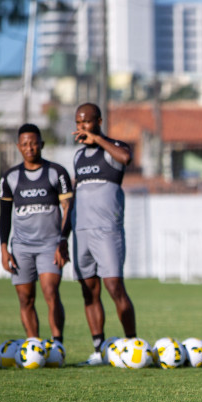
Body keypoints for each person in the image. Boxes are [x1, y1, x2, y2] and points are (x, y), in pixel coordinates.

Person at [71, 103, 136, 365]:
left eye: (86, 121)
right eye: (78, 123)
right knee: (89, 290)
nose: (81, 127)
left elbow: (126, 159)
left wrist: (98, 139)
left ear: (98, 121)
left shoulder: (113, 148)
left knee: (114, 287)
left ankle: (133, 343)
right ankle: (98, 349)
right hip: (81, 231)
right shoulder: (77, 157)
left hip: (108, 230)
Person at [0, 124, 73, 342]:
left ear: (41, 144)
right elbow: (4, 215)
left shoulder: (56, 172)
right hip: (21, 247)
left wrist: (63, 241)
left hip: (50, 245)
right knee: (25, 298)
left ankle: (57, 343)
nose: (29, 147)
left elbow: (68, 208)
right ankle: (34, 344)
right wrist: (4, 248)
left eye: (33, 143)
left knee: (50, 291)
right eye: (24, 144)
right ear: (18, 147)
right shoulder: (10, 177)